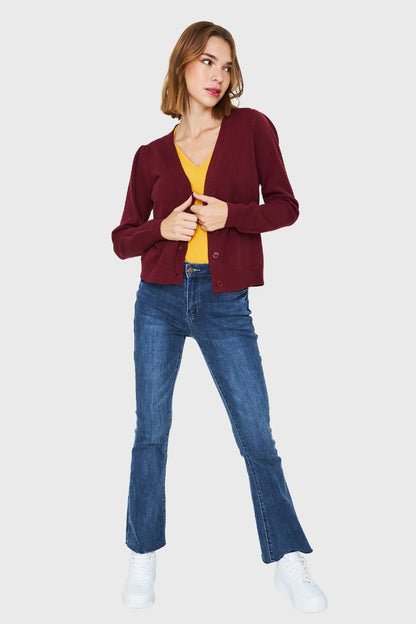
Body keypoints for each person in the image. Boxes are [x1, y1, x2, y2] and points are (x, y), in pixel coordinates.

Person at [111, 20, 327, 614]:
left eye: (226, 66)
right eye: (207, 61)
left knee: (256, 434)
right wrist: (162, 228)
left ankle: (288, 558)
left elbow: (285, 207)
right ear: (182, 64)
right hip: (158, 301)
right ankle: (142, 553)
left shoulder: (252, 128)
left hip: (224, 301)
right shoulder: (150, 155)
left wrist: (232, 214)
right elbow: (123, 239)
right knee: (151, 433)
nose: (218, 75)